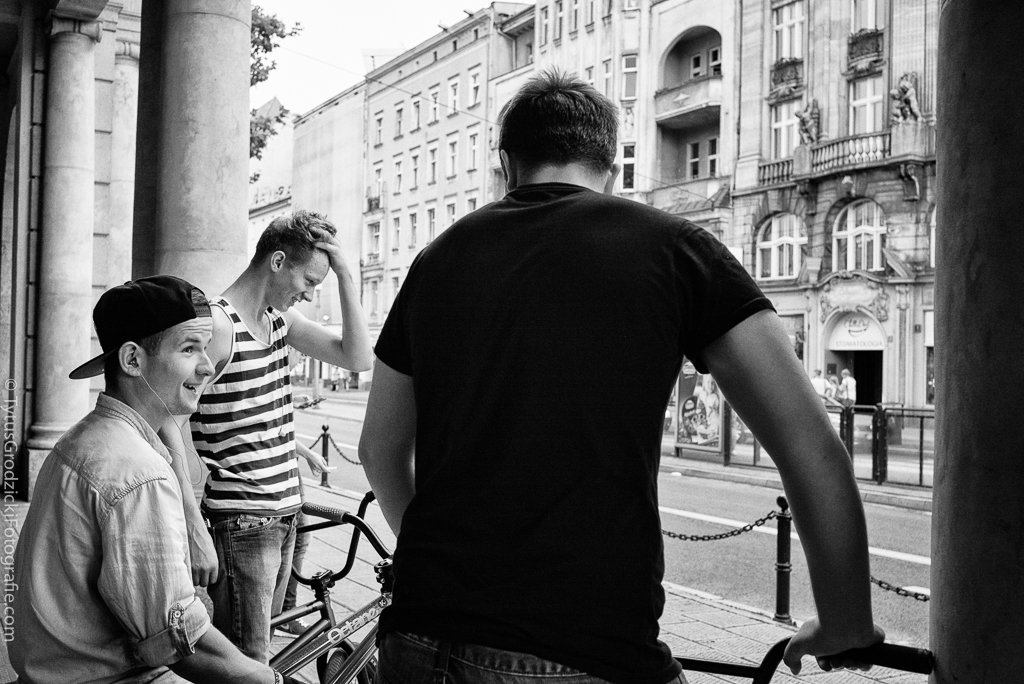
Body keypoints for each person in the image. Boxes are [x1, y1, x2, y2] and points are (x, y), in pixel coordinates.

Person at [359, 70, 883, 684]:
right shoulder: (674, 249)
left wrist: (435, 570)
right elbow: (811, 446)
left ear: (507, 164)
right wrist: (845, 620)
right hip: (581, 650)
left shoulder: (435, 261)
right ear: (609, 167)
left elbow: (378, 449)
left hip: (415, 642)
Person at [10, 276, 298, 684]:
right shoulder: (138, 473)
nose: (208, 366)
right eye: (189, 348)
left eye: (206, 347)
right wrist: (273, 680)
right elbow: (177, 641)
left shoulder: (80, 440)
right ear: (132, 360)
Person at [163, 211, 373, 662]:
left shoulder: (280, 321)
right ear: (277, 262)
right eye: (309, 280)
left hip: (284, 515)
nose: (310, 294)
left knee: (261, 657)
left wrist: (346, 277)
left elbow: (358, 359)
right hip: (244, 522)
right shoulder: (220, 326)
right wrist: (193, 524)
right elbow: (170, 422)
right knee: (247, 664)